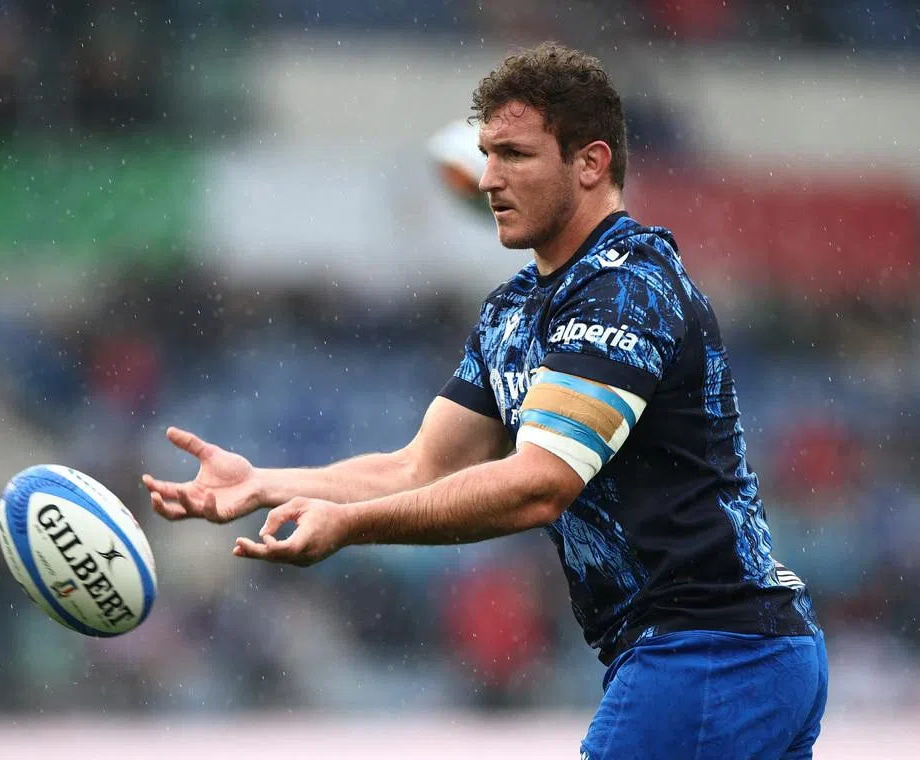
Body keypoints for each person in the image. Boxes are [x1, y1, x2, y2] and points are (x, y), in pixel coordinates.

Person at [142, 42, 828, 759]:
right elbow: (421, 467)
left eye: (515, 156)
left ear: (591, 163)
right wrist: (263, 483)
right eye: (486, 154)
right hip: (725, 654)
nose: (487, 179)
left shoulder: (626, 289)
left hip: (713, 651)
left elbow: (540, 485)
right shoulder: (513, 314)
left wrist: (349, 525)